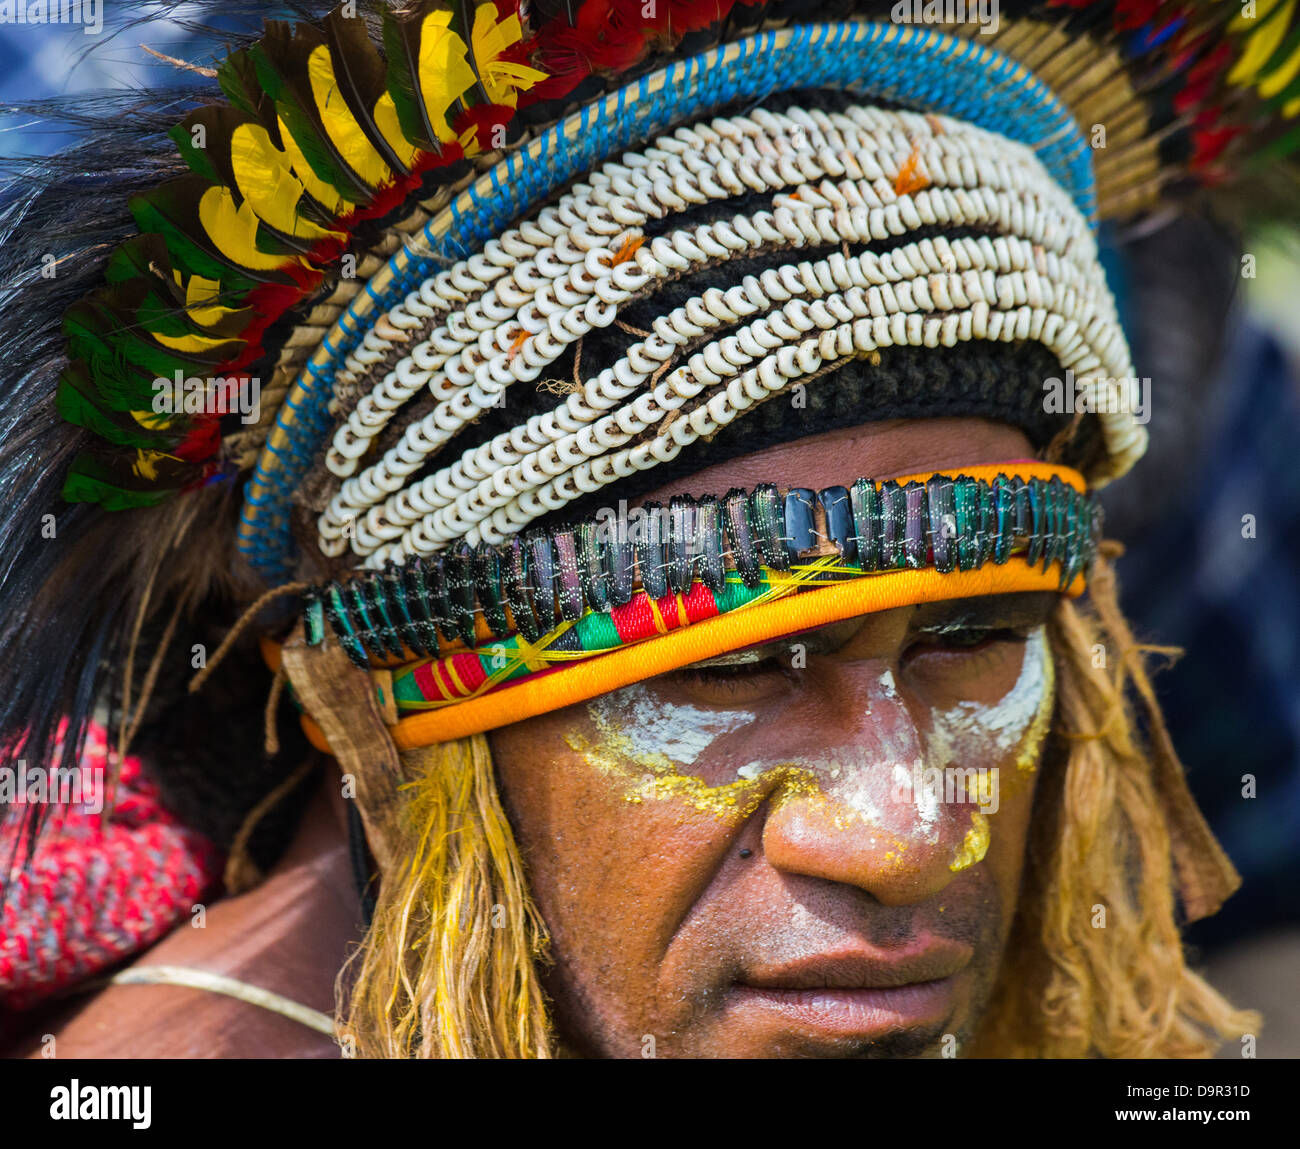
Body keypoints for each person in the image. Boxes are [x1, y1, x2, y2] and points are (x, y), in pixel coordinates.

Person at [1, 0, 1290, 1058]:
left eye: (972, 640)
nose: (904, 833)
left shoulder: (1192, 400)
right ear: (365, 708)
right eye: (725, 663)